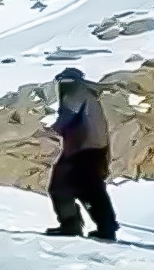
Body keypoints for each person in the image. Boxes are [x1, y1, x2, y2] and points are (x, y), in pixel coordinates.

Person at [45, 68, 118, 239]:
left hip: (82, 149)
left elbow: (68, 116)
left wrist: (52, 129)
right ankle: (105, 226)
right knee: (90, 189)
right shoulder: (88, 94)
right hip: (92, 149)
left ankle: (72, 225)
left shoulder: (75, 92)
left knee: (61, 186)